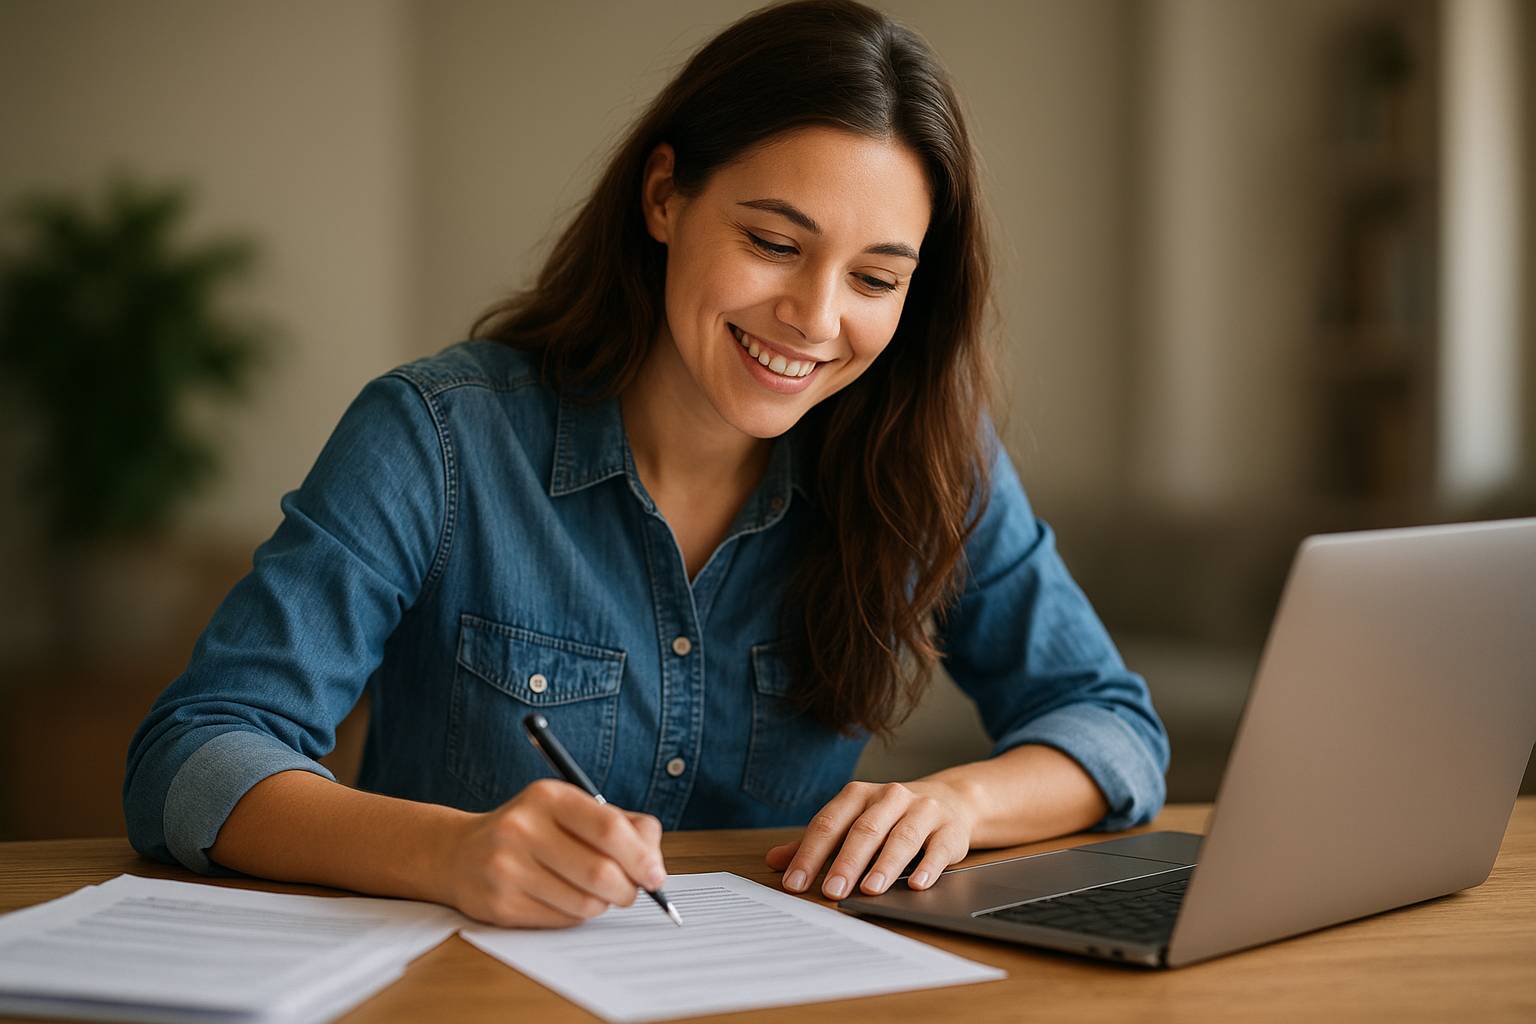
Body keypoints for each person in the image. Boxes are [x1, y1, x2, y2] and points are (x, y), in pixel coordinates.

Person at [124, 0, 1168, 929]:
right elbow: (196, 749)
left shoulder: (926, 458)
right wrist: (446, 852)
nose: (815, 319)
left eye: (876, 277)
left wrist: (959, 802)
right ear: (665, 197)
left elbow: (1112, 726)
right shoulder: (437, 437)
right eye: (773, 241)